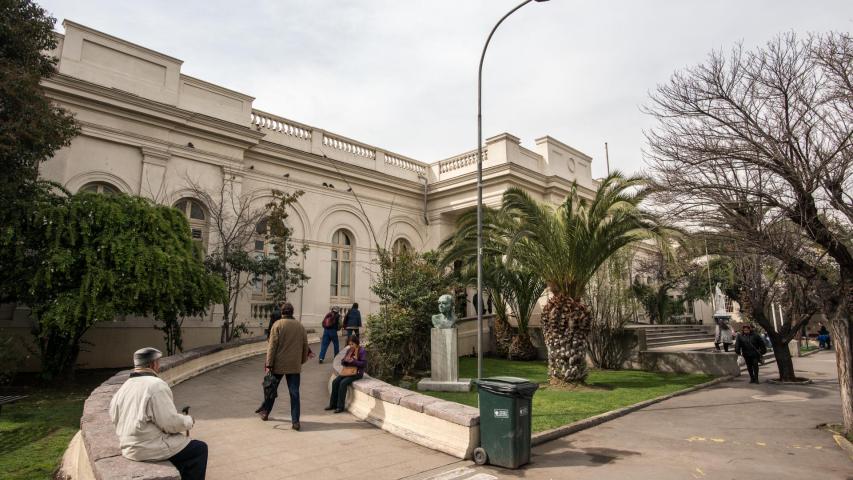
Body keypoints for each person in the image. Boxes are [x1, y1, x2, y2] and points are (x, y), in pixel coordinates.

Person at [109, 347, 207, 480]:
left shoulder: (124, 387)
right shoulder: (156, 385)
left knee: (184, 450)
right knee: (199, 449)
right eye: (158, 362)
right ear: (153, 364)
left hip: (128, 447)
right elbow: (170, 423)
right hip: (148, 447)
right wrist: (188, 421)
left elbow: (114, 417)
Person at [259, 302, 312, 430]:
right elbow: (305, 346)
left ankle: (266, 412)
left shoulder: (277, 325)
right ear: (292, 312)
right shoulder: (300, 326)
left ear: (282, 312)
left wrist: (269, 364)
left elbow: (272, 346)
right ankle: (295, 421)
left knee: (271, 390)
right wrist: (301, 361)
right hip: (294, 365)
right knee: (294, 393)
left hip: (278, 364)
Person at [325, 335, 367, 413]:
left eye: (352, 344)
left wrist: (353, 361)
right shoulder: (350, 350)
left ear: (356, 343)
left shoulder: (362, 351)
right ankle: (332, 404)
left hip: (357, 373)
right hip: (348, 371)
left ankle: (340, 406)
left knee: (343, 383)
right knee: (335, 382)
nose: (351, 346)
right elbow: (343, 362)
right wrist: (345, 361)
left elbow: (364, 364)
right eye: (349, 344)